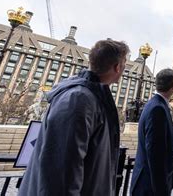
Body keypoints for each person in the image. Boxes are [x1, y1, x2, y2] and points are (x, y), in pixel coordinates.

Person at [19, 39, 130, 195]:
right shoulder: (78, 100)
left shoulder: (92, 97)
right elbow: (61, 173)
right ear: (117, 67)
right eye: (125, 64)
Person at [130, 68, 173, 196]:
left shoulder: (156, 104)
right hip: (150, 186)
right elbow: (155, 155)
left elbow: (161, 134)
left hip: (148, 183)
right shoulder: (158, 109)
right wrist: (162, 190)